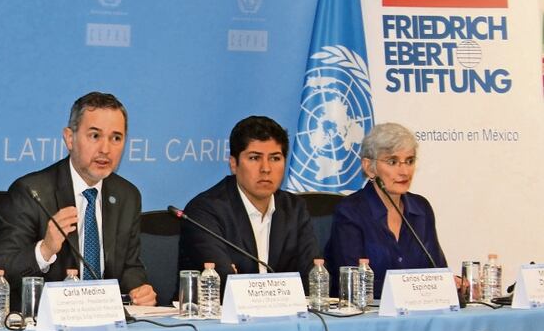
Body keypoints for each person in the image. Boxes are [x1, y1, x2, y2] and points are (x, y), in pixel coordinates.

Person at [0, 91, 157, 308]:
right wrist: (45, 249)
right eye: (95, 136)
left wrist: (138, 289)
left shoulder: (127, 195)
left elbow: (129, 266)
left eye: (116, 138)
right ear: (69, 138)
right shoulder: (31, 192)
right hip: (48, 324)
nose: (105, 149)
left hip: (106, 322)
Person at [178, 115, 318, 290]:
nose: (266, 169)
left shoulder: (295, 208)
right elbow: (222, 284)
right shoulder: (204, 212)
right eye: (254, 158)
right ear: (234, 164)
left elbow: (313, 279)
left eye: (275, 158)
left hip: (286, 315)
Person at [325, 122, 447, 296]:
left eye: (409, 161)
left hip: (417, 316)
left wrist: (452, 283)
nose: (404, 171)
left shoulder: (421, 209)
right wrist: (414, 288)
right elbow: (352, 283)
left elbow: (437, 271)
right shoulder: (350, 212)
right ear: (369, 167)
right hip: (367, 318)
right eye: (393, 161)